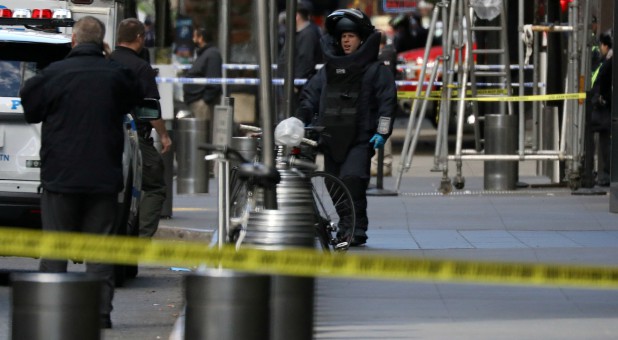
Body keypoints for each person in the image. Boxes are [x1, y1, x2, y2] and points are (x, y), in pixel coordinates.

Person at [19, 16, 143, 329]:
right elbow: (135, 97)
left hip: (60, 177)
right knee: (100, 251)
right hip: (103, 178)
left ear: (74, 40)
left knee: (55, 249)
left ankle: (50, 313)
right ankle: (99, 315)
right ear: (102, 44)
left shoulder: (54, 74)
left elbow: (30, 107)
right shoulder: (115, 75)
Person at [296, 8, 397, 246]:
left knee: (352, 179)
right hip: (331, 139)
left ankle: (356, 229)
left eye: (351, 36)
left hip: (360, 139)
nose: (346, 40)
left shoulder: (375, 71)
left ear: (361, 38)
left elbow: (387, 102)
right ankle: (346, 225)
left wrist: (382, 132)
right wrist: (300, 119)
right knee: (333, 183)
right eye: (343, 37)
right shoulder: (328, 72)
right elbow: (309, 96)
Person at [111, 19, 172, 243]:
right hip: (135, 137)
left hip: (104, 136)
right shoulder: (141, 68)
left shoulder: (106, 61)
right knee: (155, 186)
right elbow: (151, 109)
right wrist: (164, 136)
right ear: (139, 38)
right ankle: (140, 239)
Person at [277, 0, 323, 119]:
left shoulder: (308, 34)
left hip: (299, 87)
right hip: (291, 84)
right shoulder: (298, 33)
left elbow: (305, 60)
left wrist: (295, 83)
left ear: (296, 16)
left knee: (295, 116)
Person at [183, 26, 223, 127]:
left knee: (203, 134)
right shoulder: (203, 54)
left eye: (195, 36)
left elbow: (214, 81)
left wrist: (205, 101)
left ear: (201, 38)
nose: (193, 39)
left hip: (203, 105)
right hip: (197, 103)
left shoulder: (212, 54)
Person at [371, 31, 398, 176]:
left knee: (382, 133)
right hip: (381, 101)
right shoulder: (387, 53)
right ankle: (380, 164)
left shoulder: (385, 54)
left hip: (382, 102)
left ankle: (383, 165)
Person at [588, 30, 612, 187]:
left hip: (604, 108)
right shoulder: (606, 60)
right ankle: (604, 173)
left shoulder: (608, 62)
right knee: (603, 141)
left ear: (605, 45)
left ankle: (606, 174)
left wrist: (598, 98)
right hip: (604, 106)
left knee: (604, 142)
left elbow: (601, 82)